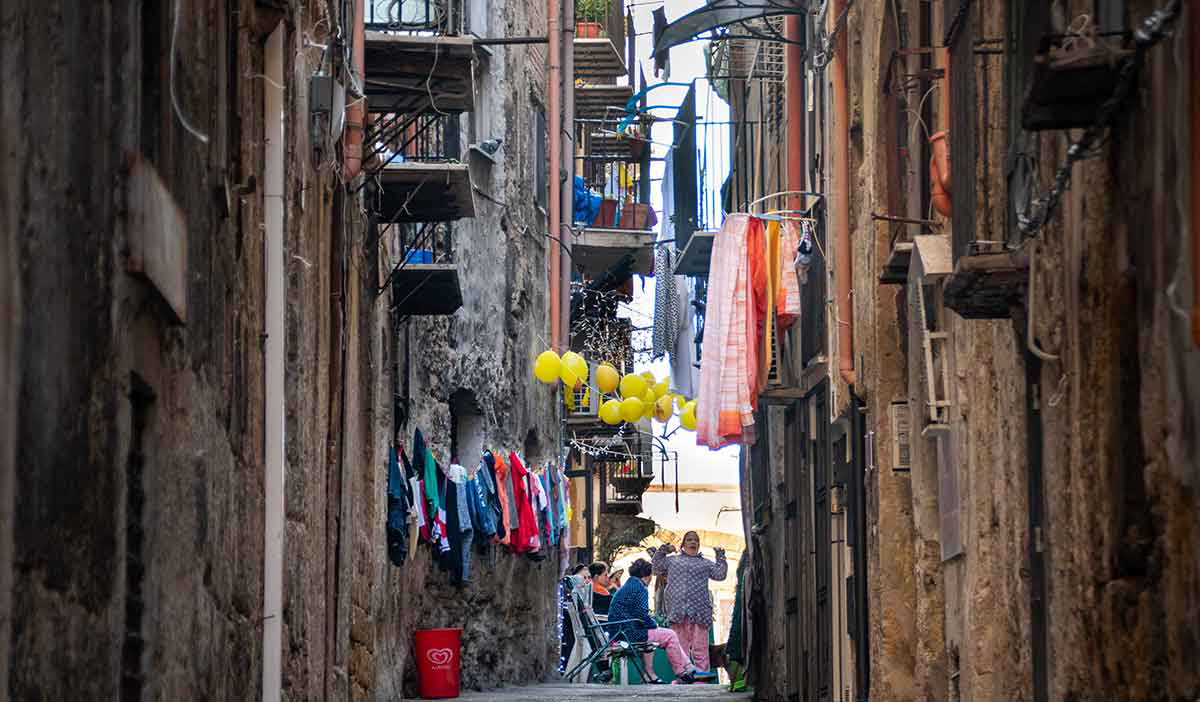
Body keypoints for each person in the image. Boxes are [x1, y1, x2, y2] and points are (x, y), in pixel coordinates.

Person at [605, 558, 697, 684]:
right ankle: (681, 671)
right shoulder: (640, 588)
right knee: (670, 635)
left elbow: (639, 615)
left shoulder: (629, 585)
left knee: (660, 634)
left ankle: (688, 668)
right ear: (647, 575)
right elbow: (642, 615)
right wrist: (654, 624)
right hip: (628, 634)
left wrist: (652, 625)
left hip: (620, 631)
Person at [651, 531, 727, 674]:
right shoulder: (673, 561)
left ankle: (702, 677)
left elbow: (720, 575)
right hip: (677, 610)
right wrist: (663, 551)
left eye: (696, 540)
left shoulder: (705, 563)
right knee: (680, 647)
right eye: (689, 540)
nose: (693, 542)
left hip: (700, 611)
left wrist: (720, 556)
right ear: (683, 544)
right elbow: (656, 568)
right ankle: (683, 676)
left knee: (700, 648)